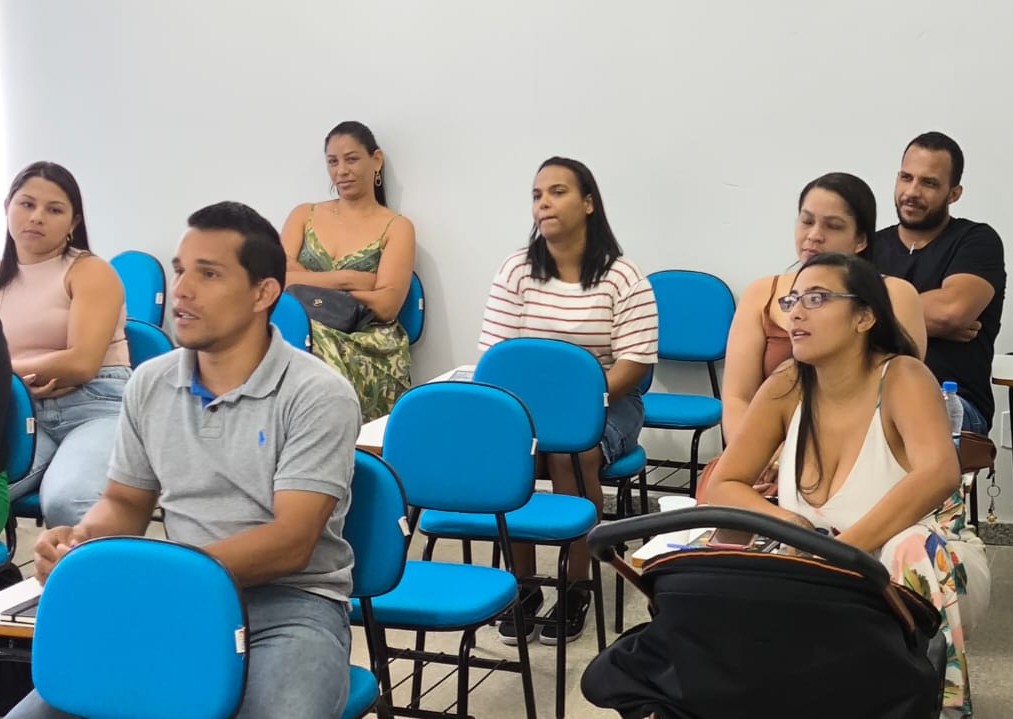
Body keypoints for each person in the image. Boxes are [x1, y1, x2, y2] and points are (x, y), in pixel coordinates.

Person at [8, 201, 361, 719]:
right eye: (179, 271)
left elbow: (292, 543)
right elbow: (125, 501)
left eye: (209, 274)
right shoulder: (151, 382)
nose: (183, 291)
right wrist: (83, 543)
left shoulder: (316, 393)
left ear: (264, 293)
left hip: (290, 608)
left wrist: (159, 576)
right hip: (179, 598)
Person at [707, 252, 989, 718]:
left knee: (910, 545)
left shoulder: (902, 375)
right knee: (705, 548)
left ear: (864, 316)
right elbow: (726, 483)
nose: (795, 311)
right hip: (823, 564)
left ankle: (935, 707)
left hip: (928, 566)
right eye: (792, 298)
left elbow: (940, 472)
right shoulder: (787, 382)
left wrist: (835, 556)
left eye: (816, 298)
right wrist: (790, 522)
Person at [478, 156, 658, 645]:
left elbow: (636, 361)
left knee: (570, 450)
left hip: (607, 400)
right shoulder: (517, 269)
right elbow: (496, 357)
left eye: (557, 192)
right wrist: (529, 411)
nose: (544, 203)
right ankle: (523, 586)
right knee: (511, 453)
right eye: (537, 195)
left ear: (589, 203)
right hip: (529, 405)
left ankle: (577, 582)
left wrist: (584, 399)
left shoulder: (622, 275)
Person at [698, 172, 926, 500]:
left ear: (861, 239)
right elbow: (736, 397)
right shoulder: (763, 293)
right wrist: (758, 456)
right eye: (806, 222)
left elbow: (894, 400)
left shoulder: (894, 294)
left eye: (832, 226)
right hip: (763, 455)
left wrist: (797, 461)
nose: (813, 236)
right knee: (723, 507)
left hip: (854, 462)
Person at [0, 162, 130, 527]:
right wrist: (21, 378)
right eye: (26, 204)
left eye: (54, 209)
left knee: (68, 501)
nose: (37, 217)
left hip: (95, 407)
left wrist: (10, 372)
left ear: (73, 223)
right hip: (21, 412)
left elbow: (82, 363)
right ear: (7, 206)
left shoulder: (89, 271)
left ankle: (87, 583)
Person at [281, 121, 415, 421]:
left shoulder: (396, 227)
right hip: (302, 330)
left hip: (367, 340)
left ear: (376, 160)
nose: (341, 170)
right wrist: (349, 279)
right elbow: (275, 281)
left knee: (307, 352)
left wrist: (305, 279)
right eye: (333, 162)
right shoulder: (304, 215)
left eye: (351, 159)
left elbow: (386, 305)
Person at [873, 131, 1006, 433]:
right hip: (873, 397)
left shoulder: (975, 240)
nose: (912, 191)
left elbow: (951, 312)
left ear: (954, 193)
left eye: (929, 183)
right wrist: (921, 318)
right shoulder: (868, 246)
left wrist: (867, 311)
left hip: (955, 406)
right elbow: (834, 317)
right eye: (906, 178)